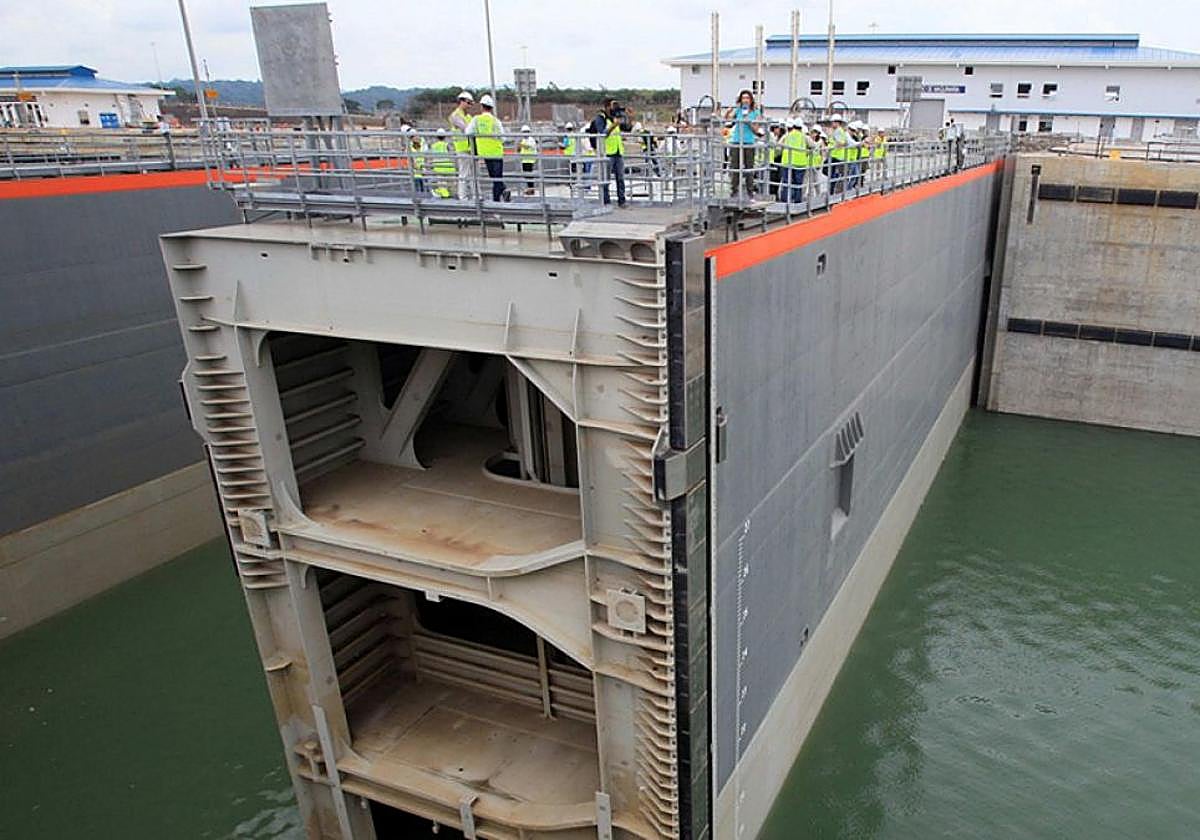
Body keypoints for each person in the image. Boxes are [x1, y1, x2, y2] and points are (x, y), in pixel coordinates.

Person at [587, 99, 632, 207]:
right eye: (613, 105)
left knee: (620, 178)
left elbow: (628, 128)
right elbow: (603, 134)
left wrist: (629, 117)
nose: (616, 108)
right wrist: (613, 125)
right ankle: (606, 202)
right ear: (607, 107)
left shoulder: (614, 118)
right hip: (607, 153)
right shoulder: (600, 118)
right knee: (605, 179)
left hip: (618, 152)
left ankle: (622, 201)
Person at [466, 93, 509, 202]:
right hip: (497, 153)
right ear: (492, 108)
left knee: (494, 178)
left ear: (481, 106)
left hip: (485, 153)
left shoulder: (476, 120)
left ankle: (500, 195)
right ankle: (500, 195)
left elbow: (468, 132)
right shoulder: (495, 121)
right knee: (497, 178)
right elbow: (503, 138)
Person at [723, 89, 763, 198]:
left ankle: (750, 191)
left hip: (749, 141)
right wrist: (727, 113)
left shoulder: (756, 112)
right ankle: (734, 190)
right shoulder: (738, 110)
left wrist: (748, 122)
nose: (745, 100)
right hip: (736, 140)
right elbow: (728, 121)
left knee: (749, 167)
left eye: (747, 98)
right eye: (743, 98)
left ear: (751, 100)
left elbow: (757, 129)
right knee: (734, 166)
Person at [448, 90, 474, 198]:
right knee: (464, 174)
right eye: (468, 103)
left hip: (470, 148)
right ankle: (463, 197)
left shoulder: (468, 116)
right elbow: (466, 129)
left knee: (473, 175)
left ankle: (476, 195)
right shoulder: (455, 116)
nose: (469, 105)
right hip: (462, 148)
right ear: (461, 101)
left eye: (471, 103)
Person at [780, 118, 810, 204]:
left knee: (786, 182)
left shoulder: (787, 135)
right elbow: (813, 145)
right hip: (799, 164)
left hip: (787, 162)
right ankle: (797, 201)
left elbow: (778, 145)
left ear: (793, 126)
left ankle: (784, 201)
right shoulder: (804, 136)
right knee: (798, 184)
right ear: (801, 127)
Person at [429, 130, 456, 198]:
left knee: (441, 184)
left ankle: (445, 196)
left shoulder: (433, 146)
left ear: (437, 137)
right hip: (448, 167)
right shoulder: (447, 145)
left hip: (438, 167)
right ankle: (451, 195)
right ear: (445, 136)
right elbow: (452, 155)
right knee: (451, 183)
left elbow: (431, 157)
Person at [828, 115, 850, 194]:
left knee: (833, 175)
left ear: (837, 122)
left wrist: (833, 146)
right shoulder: (839, 131)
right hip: (836, 156)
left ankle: (831, 192)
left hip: (837, 156)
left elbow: (841, 143)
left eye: (833, 122)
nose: (832, 124)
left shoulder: (838, 131)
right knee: (832, 175)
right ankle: (832, 191)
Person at [518, 125, 538, 194]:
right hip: (524, 159)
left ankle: (531, 189)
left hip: (530, 159)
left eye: (526, 132)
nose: (525, 133)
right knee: (526, 175)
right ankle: (530, 189)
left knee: (529, 175)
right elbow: (521, 149)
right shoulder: (523, 140)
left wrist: (521, 145)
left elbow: (528, 147)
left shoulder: (531, 139)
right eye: (523, 132)